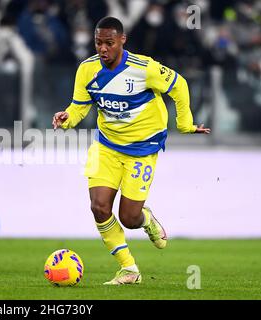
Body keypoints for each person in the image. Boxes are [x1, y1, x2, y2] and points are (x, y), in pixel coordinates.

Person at [52, 17, 210, 285]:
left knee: (129, 217)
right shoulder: (86, 69)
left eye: (109, 43)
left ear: (122, 41)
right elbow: (80, 105)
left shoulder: (144, 68)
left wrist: (184, 125)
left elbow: (179, 85)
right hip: (107, 146)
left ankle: (146, 219)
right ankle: (129, 269)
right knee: (99, 207)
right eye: (98, 43)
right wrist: (67, 118)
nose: (102, 49)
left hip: (142, 149)